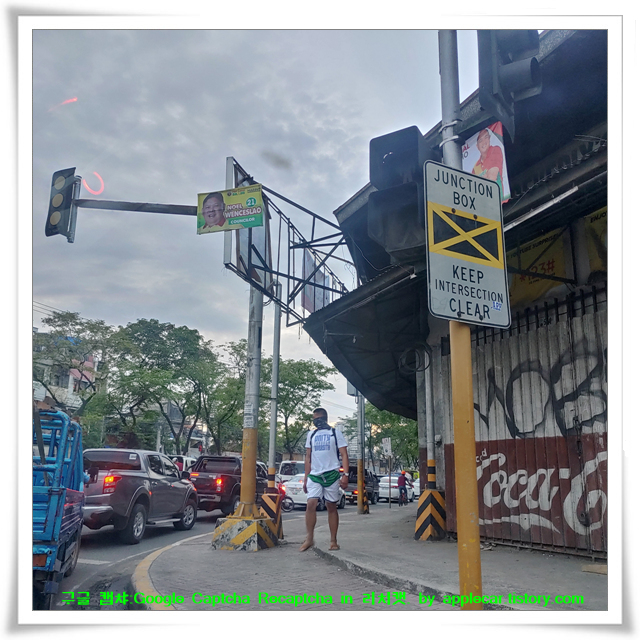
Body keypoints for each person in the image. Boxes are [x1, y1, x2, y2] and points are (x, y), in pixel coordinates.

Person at [300, 408, 349, 552]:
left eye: (319, 418)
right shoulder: (311, 434)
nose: (317, 421)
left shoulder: (335, 433)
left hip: (331, 474)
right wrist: (305, 478)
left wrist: (345, 475)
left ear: (325, 418)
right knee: (311, 504)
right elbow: (308, 457)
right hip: (315, 475)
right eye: (315, 419)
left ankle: (333, 541)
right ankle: (309, 538)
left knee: (331, 506)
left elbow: (344, 454)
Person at [472, 128, 505, 199]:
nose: (484, 142)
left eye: (486, 137)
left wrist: (480, 180)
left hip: (498, 199)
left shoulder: (495, 150)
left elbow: (491, 178)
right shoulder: (475, 167)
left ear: (489, 138)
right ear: (477, 146)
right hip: (484, 203)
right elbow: (473, 190)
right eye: (480, 140)